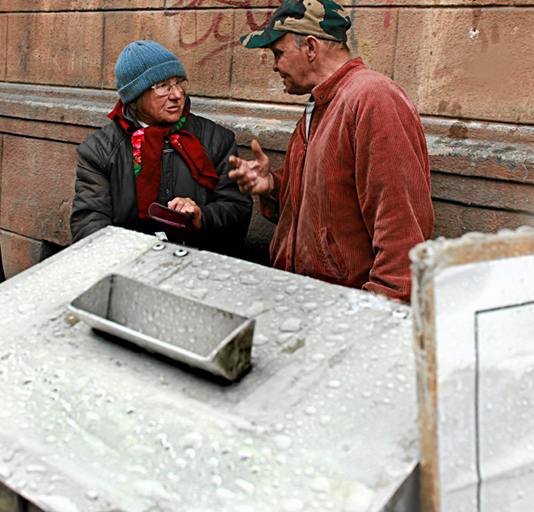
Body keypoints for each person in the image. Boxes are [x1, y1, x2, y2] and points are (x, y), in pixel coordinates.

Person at [230, 0, 434, 302]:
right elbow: (328, 201)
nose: (275, 65)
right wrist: (272, 186)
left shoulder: (373, 98)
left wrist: (378, 315)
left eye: (278, 52)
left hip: (346, 312)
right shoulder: (320, 104)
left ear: (311, 47)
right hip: (309, 301)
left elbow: (401, 231)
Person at [71, 40, 252, 255]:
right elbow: (88, 222)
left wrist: (202, 217)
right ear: (135, 96)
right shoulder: (99, 150)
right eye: (163, 86)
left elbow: (237, 209)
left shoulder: (216, 140)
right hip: (128, 265)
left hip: (199, 267)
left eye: (179, 82)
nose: (177, 94)